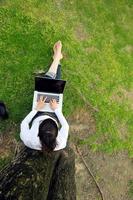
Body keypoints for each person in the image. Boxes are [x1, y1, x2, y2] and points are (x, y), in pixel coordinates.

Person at [20, 41, 69, 153]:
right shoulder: (61, 143)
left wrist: (36, 109)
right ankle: (57, 58)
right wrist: (56, 109)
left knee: (47, 83)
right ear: (57, 133)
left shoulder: (28, 140)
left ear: (38, 133)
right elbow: (65, 125)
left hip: (38, 112)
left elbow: (24, 123)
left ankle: (57, 58)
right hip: (54, 113)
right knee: (53, 89)